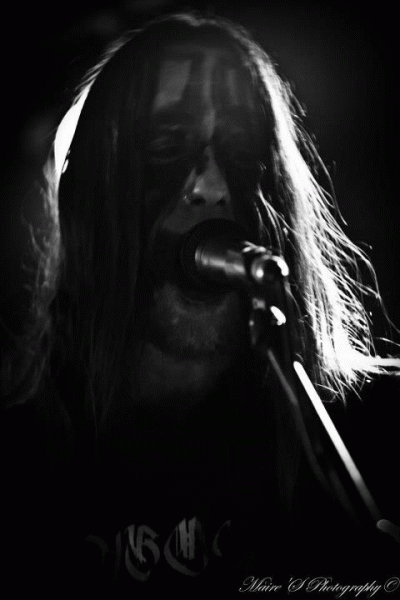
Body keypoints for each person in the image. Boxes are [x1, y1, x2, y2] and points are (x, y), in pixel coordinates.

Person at [1, 11, 399, 597]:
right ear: (95, 198)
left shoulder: (379, 428)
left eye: (240, 149)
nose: (211, 187)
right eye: (166, 147)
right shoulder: (21, 466)